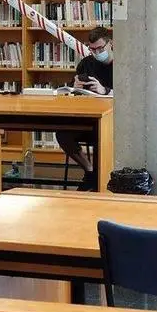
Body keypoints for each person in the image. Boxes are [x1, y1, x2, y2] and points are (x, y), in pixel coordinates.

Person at [55, 26, 114, 191]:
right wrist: (74, 87)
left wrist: (105, 91)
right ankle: (90, 171)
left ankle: (101, 178)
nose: (96, 52)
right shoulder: (86, 64)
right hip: (88, 118)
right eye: (92, 49)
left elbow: (130, 97)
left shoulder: (123, 66)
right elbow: (70, 93)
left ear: (111, 44)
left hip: (113, 121)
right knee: (63, 134)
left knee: (103, 136)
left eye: (100, 48)